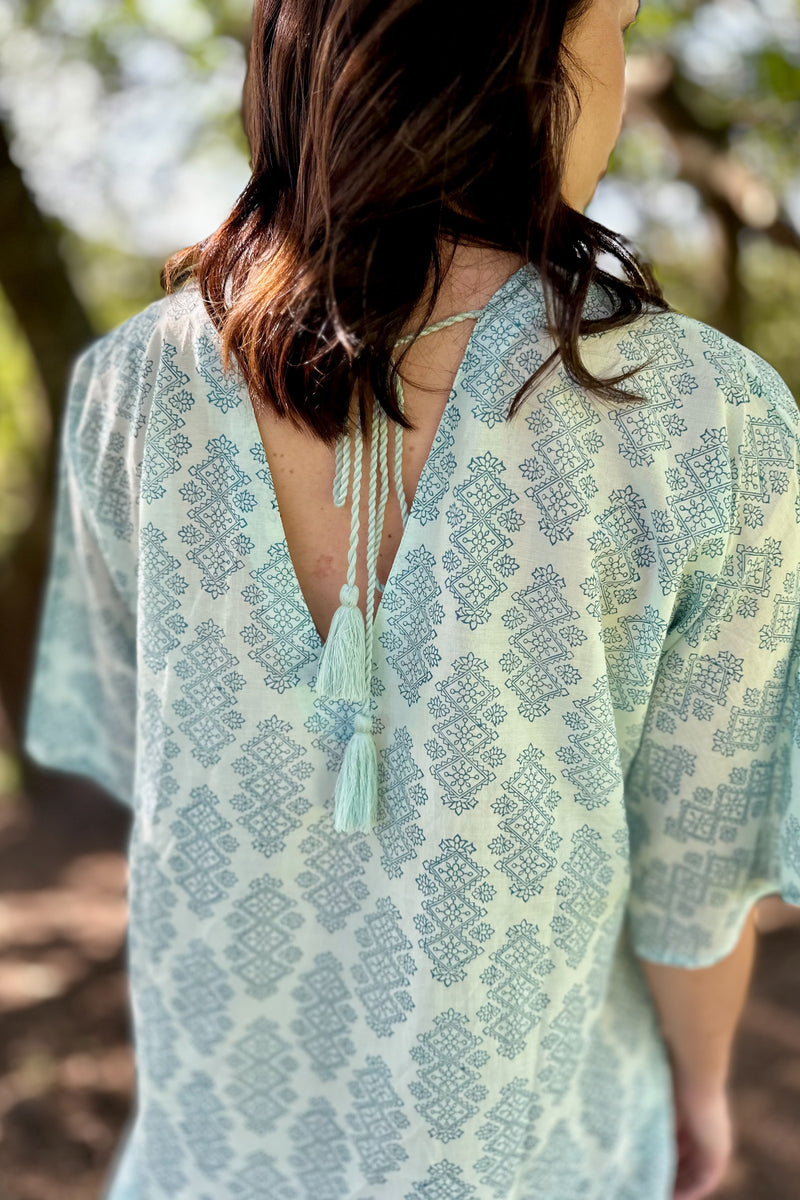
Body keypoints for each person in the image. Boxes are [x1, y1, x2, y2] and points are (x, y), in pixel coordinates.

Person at [21, 1, 800, 1198]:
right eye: (616, 21)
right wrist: (697, 1085)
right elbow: (695, 874)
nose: (623, 62)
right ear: (518, 46)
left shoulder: (132, 386)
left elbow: (152, 756)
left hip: (215, 1158)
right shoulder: (705, 417)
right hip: (532, 1155)